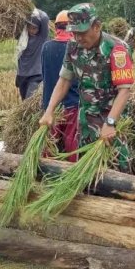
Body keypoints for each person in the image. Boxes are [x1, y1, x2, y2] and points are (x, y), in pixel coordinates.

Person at [39, 3, 134, 172]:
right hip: (85, 125)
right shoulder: (73, 46)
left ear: (97, 26)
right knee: (86, 175)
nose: (78, 37)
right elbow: (64, 81)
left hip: (111, 125)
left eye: (82, 32)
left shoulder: (117, 49)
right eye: (74, 33)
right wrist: (49, 110)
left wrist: (110, 123)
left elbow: (124, 90)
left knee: (116, 174)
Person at [41, 10, 80, 162]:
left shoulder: (46, 47)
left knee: (49, 145)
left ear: (56, 27)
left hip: (50, 105)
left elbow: (44, 74)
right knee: (72, 144)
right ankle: (72, 172)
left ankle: (45, 171)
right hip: (72, 104)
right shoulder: (75, 48)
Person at [15, 8, 50, 100]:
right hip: (22, 74)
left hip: (35, 75)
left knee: (29, 102)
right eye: (29, 27)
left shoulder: (42, 37)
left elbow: (45, 18)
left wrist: (32, 8)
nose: (31, 30)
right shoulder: (22, 37)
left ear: (39, 28)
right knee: (24, 100)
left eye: (34, 28)